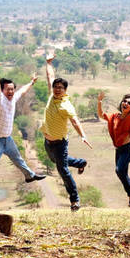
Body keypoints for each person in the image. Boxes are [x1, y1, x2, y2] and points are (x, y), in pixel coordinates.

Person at [0, 56, 46, 201]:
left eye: (12, 89)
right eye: (8, 89)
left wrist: (32, 82)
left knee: (18, 159)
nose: (10, 91)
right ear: (2, 90)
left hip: (7, 139)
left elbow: (22, 91)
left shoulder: (14, 98)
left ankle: (29, 175)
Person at [41, 54, 91, 211]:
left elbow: (75, 121)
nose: (57, 89)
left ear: (65, 90)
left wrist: (83, 135)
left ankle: (74, 200)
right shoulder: (51, 96)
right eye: (56, 87)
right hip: (47, 141)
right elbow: (50, 77)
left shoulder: (66, 105)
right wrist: (48, 63)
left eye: (60, 88)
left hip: (60, 143)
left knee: (63, 170)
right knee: (57, 161)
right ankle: (80, 162)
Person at [97, 86, 130, 214]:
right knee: (121, 173)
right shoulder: (115, 116)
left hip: (127, 149)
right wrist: (100, 102)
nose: (126, 104)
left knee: (119, 170)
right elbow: (101, 115)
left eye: (129, 103)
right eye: (125, 101)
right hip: (118, 149)